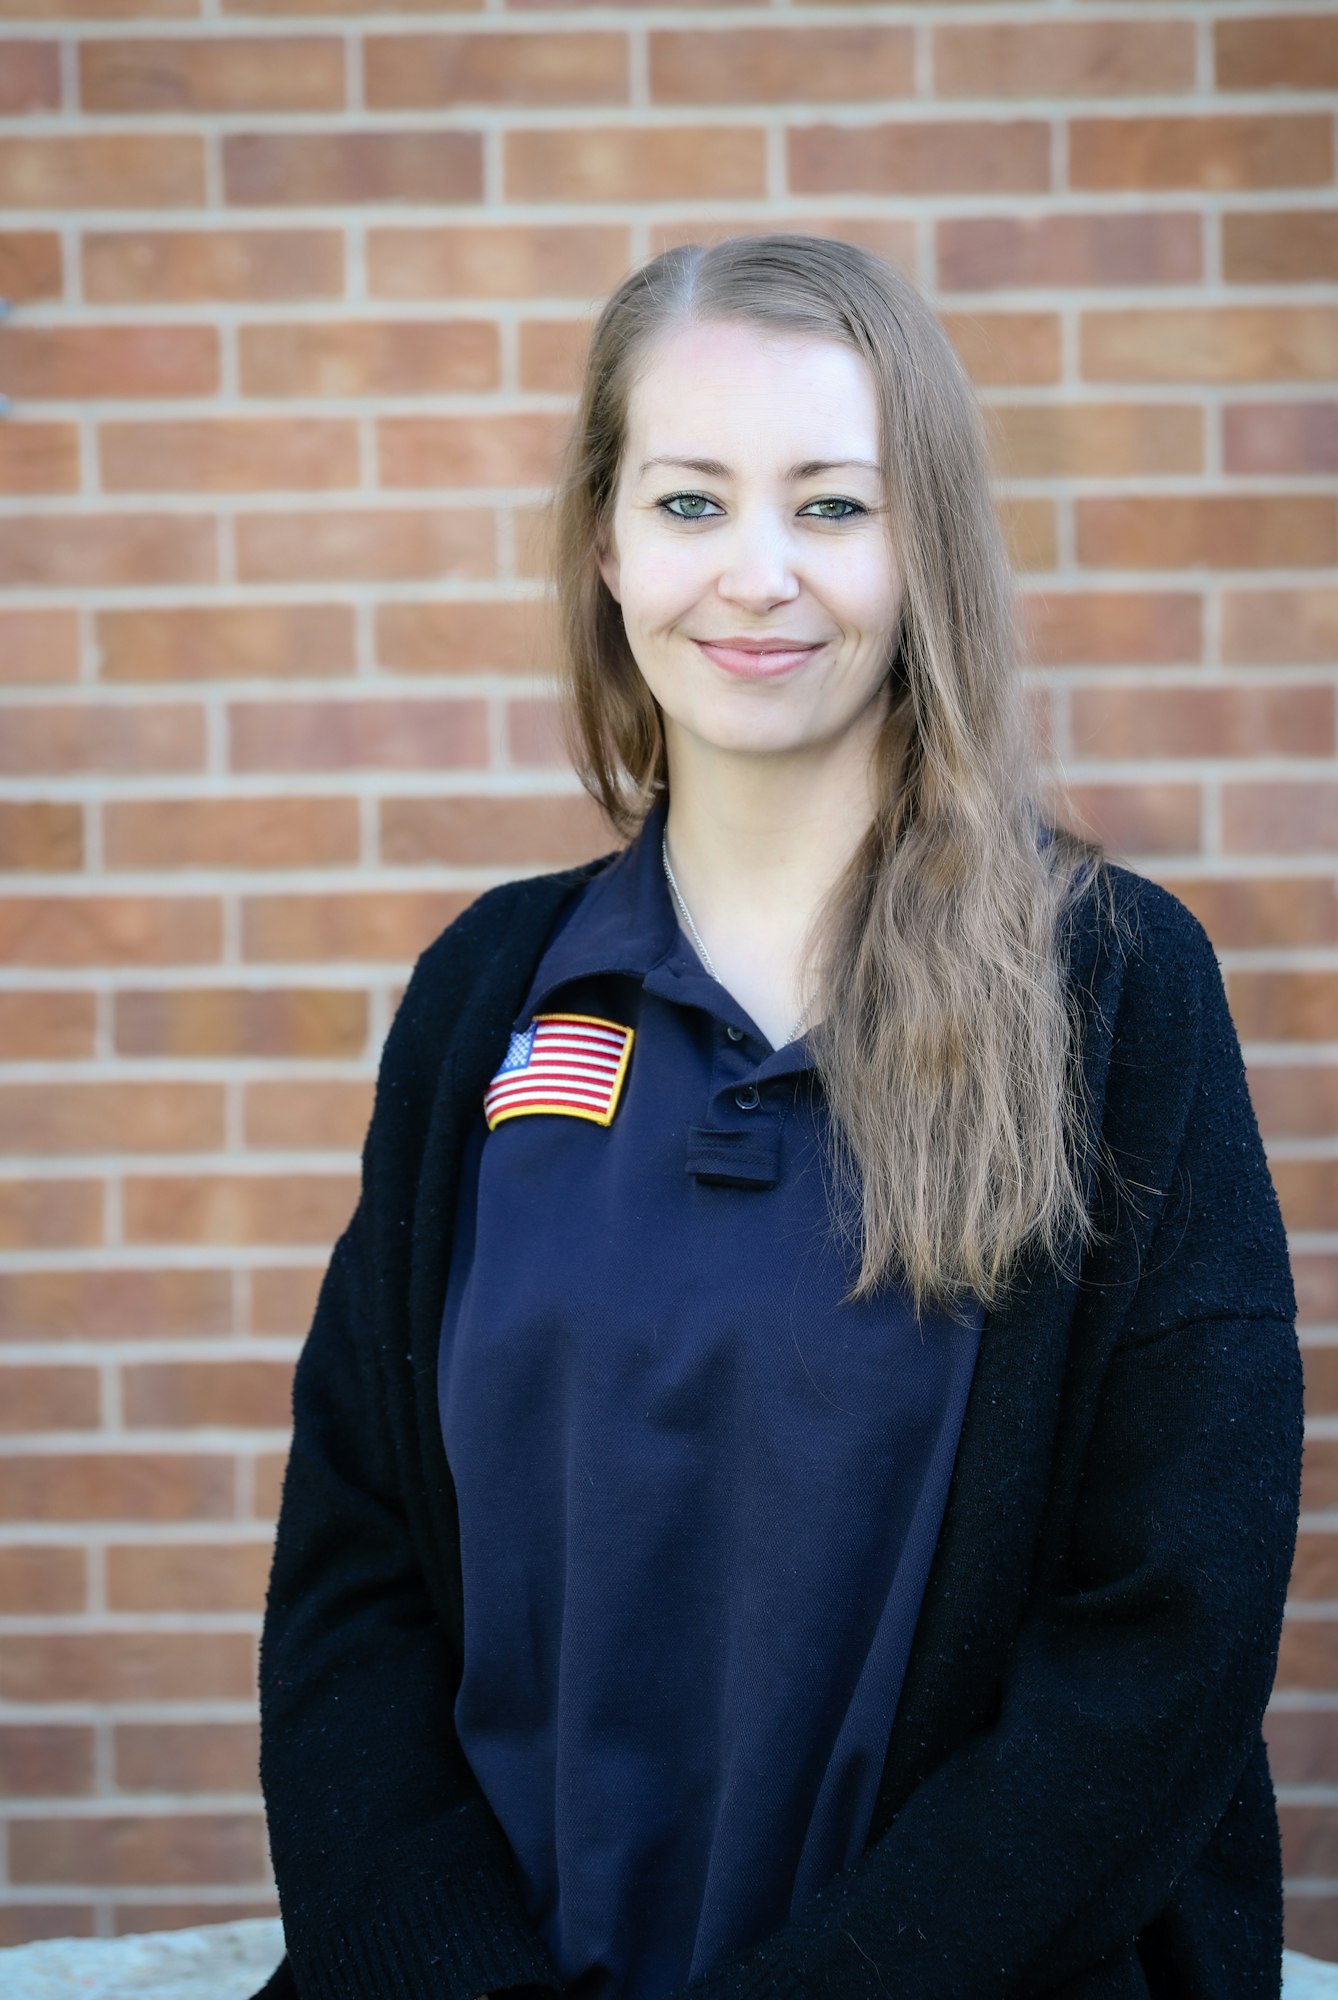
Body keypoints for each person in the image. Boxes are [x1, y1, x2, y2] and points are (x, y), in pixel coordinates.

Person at [250, 234, 1303, 2000]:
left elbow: (1167, 1630)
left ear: (926, 551)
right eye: (687, 504)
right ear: (603, 546)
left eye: (830, 508)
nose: (754, 579)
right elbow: (351, 1582)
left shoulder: (1111, 991)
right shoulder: (486, 996)